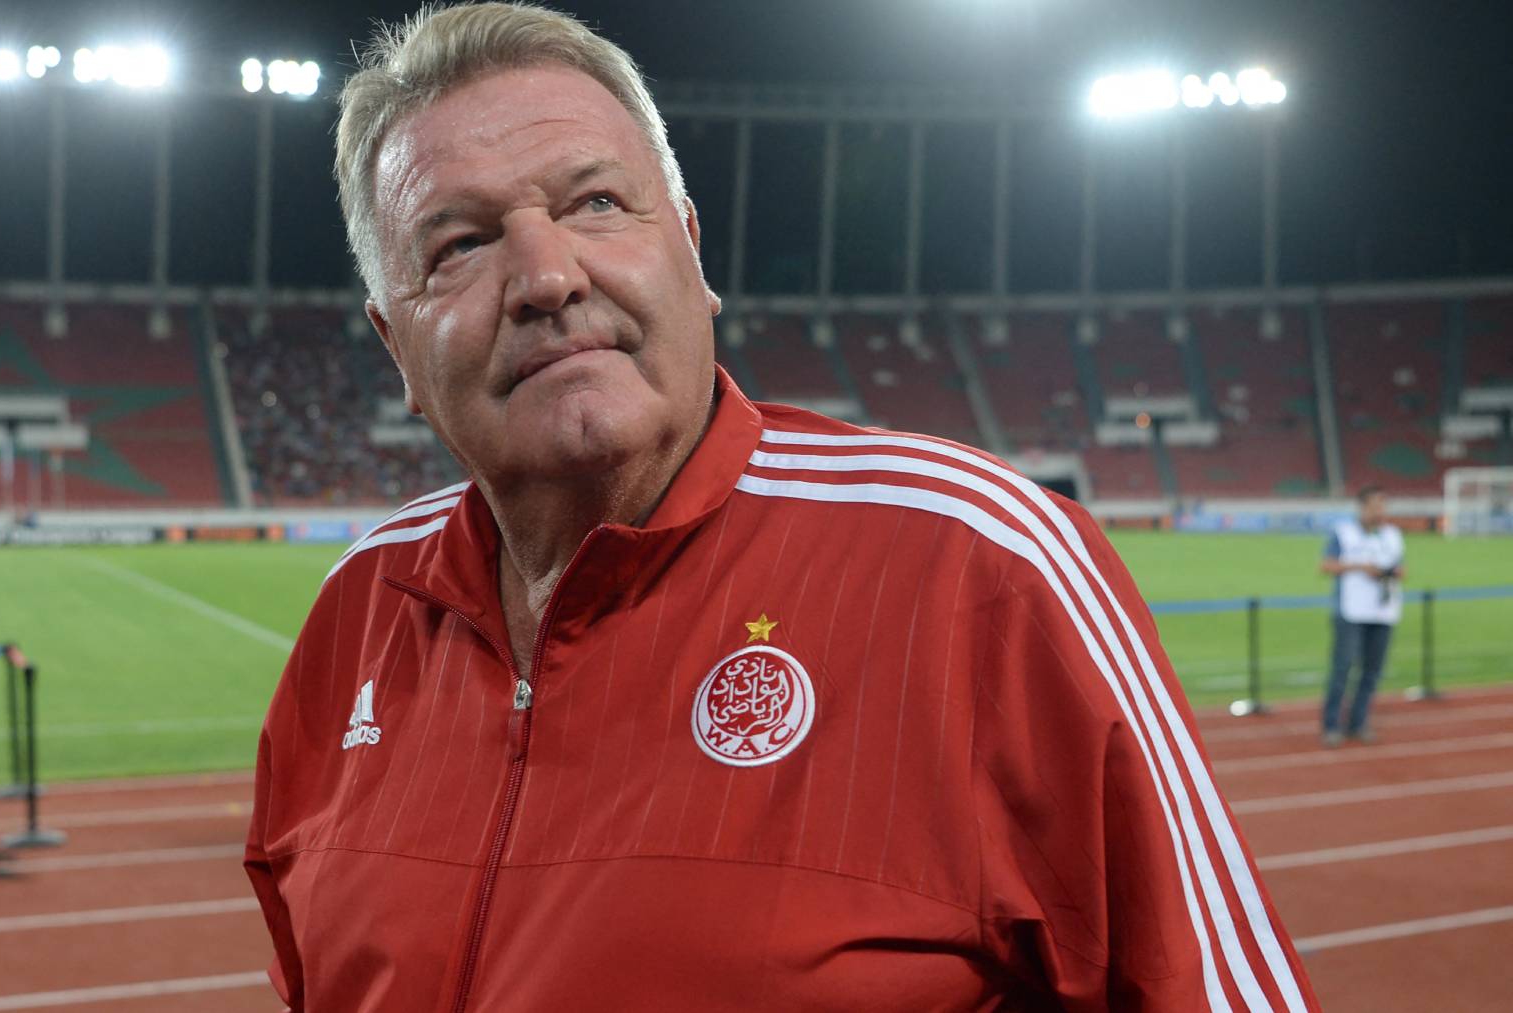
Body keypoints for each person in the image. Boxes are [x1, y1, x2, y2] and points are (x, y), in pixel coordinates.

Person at [244, 4, 1318, 1010]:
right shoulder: (355, 615)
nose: (545, 275)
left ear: (693, 252)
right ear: (397, 346)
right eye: (459, 245)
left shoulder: (982, 567)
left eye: (597, 203)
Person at [1318, 486, 1405, 746]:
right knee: (1342, 668)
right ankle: (1331, 724)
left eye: (1383, 506)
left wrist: (1389, 572)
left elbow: (1402, 569)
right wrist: (1360, 567)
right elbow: (1326, 565)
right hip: (1351, 611)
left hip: (1383, 612)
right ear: (1362, 507)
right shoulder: (1343, 532)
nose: (1380, 511)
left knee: (1372, 672)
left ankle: (1358, 722)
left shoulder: (1392, 535)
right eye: (1375, 506)